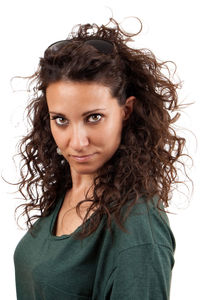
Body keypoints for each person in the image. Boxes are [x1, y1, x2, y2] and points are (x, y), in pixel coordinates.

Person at [13, 17, 188, 299]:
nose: (77, 142)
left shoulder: (137, 225)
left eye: (94, 118)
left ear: (126, 111)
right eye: (61, 120)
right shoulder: (66, 193)